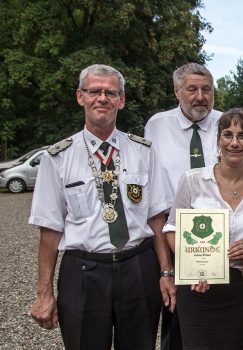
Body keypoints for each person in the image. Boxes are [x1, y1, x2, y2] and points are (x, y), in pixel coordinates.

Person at [28, 64, 173, 349]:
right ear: (80, 97)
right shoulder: (57, 158)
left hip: (138, 267)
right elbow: (50, 229)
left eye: (111, 92)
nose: (102, 98)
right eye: (95, 91)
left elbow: (156, 217)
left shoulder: (143, 151)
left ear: (122, 100)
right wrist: (44, 292)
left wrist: (166, 272)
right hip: (83, 271)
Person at [163, 108, 243, 349]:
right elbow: (172, 229)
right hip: (198, 286)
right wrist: (191, 265)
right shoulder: (193, 179)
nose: (234, 143)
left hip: (242, 289)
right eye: (228, 135)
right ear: (218, 140)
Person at [144, 62, 222, 349]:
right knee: (176, 321)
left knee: (218, 322)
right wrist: (167, 267)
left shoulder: (227, 124)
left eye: (206, 89)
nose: (200, 96)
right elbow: (153, 196)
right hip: (173, 237)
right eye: (192, 89)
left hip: (220, 239)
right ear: (177, 91)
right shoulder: (157, 125)